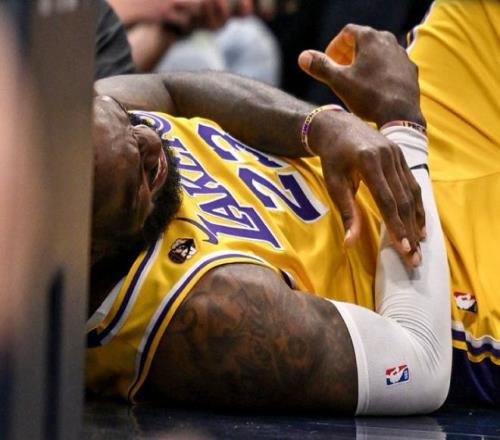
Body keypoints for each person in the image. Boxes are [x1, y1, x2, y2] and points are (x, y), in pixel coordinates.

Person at [87, 19, 452, 415]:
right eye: (142, 175)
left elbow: (171, 90)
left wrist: (318, 125)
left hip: (381, 149)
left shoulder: (85, 131)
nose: (152, 141)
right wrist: (403, 125)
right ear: (92, 252)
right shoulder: (210, 314)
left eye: (131, 122)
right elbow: (421, 365)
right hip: (436, 271)